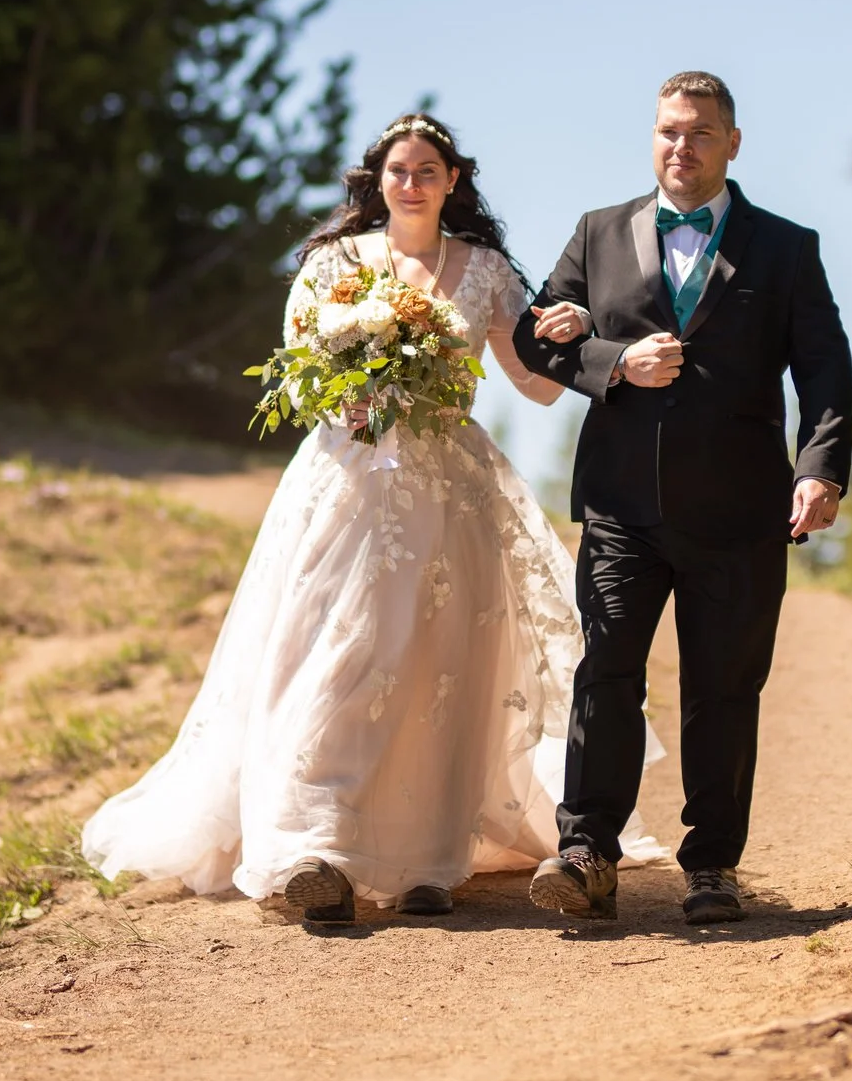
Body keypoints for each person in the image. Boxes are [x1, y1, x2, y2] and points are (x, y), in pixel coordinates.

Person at [82, 113, 663, 924]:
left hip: (451, 490)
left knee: (439, 663)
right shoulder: (333, 265)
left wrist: (579, 335)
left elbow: (533, 379)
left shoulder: (487, 271)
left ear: (453, 180)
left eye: (428, 170)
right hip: (350, 480)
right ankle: (313, 849)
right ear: (377, 181)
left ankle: (430, 859)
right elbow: (298, 373)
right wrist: (357, 386)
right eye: (399, 170)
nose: (413, 183)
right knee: (337, 651)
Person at [511, 71, 852, 926]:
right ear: (652, 136)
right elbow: (537, 334)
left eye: (700, 133)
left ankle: (712, 867)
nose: (682, 146)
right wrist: (611, 364)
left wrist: (820, 467)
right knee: (608, 672)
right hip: (623, 507)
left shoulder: (786, 248)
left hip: (741, 513)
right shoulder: (598, 233)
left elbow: (824, 368)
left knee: (724, 689)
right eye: (669, 130)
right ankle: (586, 850)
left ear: (732, 143)